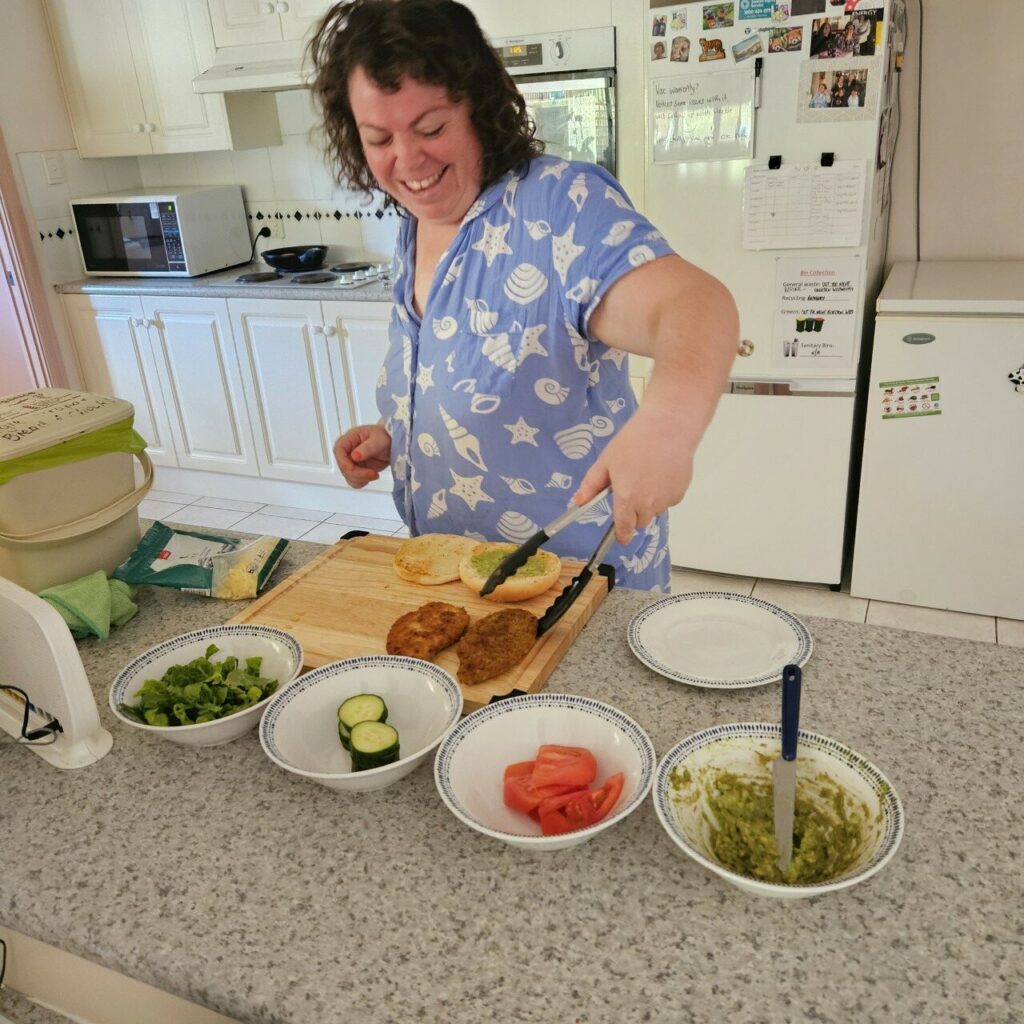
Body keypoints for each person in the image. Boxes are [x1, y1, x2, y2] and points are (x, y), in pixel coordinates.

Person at [308, 0, 738, 592]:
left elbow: (696, 305)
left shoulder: (562, 206)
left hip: (577, 585)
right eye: (379, 138)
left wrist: (669, 427)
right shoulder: (413, 224)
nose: (407, 160)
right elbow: (468, 372)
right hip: (456, 575)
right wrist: (403, 433)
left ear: (479, 107)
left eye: (431, 127)